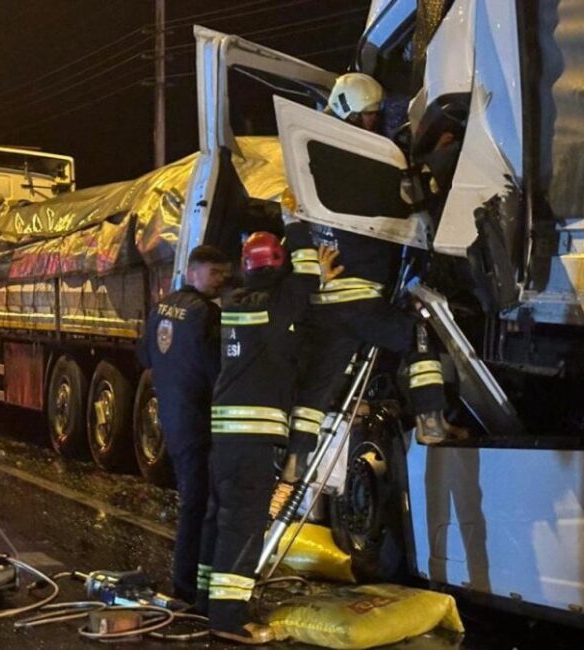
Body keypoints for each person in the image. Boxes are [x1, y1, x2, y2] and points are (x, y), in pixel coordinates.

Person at [284, 72, 466, 483]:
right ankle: (431, 421)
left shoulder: (314, 165)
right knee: (420, 334)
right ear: (350, 112)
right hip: (362, 301)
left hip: (323, 303)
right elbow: (410, 194)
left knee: (316, 387)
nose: (374, 121)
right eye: (368, 115)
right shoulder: (363, 166)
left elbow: (297, 226)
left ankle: (296, 461)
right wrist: (440, 158)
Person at [196, 218, 340, 644]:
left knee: (219, 520)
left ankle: (205, 600)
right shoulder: (280, 303)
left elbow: (300, 292)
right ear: (279, 263)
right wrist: (295, 221)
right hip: (253, 440)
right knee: (244, 524)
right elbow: (308, 274)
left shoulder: (235, 300)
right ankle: (227, 619)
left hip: (225, 438)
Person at [136, 245, 230, 604]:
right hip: (199, 420)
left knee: (192, 499)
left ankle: (186, 580)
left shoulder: (162, 306)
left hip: (173, 417)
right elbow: (217, 373)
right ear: (192, 273)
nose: (221, 280)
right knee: (199, 504)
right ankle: (188, 585)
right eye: (214, 273)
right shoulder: (207, 315)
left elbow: (144, 356)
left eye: (223, 272)